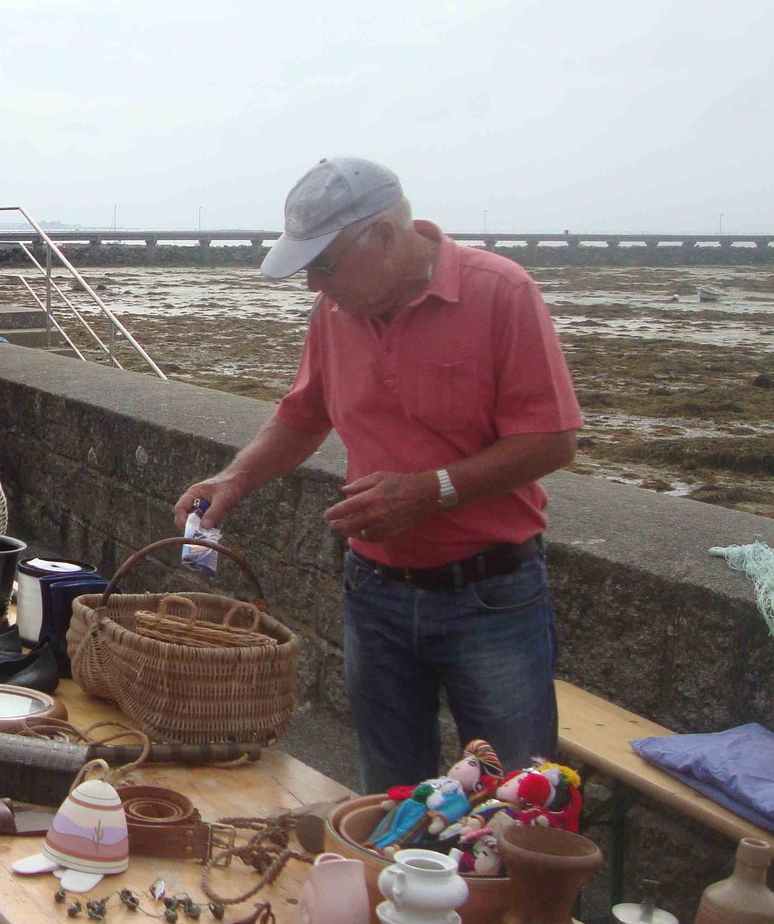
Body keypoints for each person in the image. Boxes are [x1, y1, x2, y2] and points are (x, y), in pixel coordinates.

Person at [171, 157, 582, 794]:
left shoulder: (501, 292)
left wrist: (431, 491)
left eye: (325, 265)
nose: (314, 285)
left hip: (490, 598)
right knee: (390, 794)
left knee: (515, 801)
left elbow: (552, 439)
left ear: (386, 238)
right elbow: (304, 415)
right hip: (375, 592)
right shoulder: (334, 315)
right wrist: (235, 478)